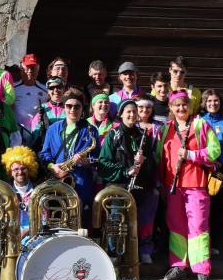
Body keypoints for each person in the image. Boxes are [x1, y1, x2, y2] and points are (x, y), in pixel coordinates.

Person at [157, 90, 220, 280]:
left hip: (197, 184)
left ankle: (202, 271)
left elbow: (215, 150)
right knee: (176, 227)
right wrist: (159, 184)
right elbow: (159, 158)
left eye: (184, 105)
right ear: (170, 108)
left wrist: (192, 154)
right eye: (177, 105)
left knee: (199, 228)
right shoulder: (164, 129)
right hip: (172, 186)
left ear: (189, 106)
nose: (181, 108)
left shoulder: (201, 124)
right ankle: (178, 266)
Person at [96, 100, 155, 262]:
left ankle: (129, 258)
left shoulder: (143, 136)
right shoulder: (113, 135)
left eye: (135, 112)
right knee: (115, 223)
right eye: (128, 111)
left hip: (137, 188)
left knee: (132, 225)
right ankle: (113, 257)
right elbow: (103, 165)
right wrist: (125, 171)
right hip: (117, 189)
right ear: (120, 114)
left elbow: (152, 165)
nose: (132, 115)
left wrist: (144, 161)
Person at [40, 90, 100, 230]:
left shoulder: (91, 130)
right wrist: (51, 166)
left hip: (81, 186)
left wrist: (86, 162)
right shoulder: (52, 129)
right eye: (69, 106)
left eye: (77, 106)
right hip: (56, 185)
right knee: (56, 226)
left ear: (83, 108)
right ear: (63, 107)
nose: (73, 110)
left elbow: (98, 158)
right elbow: (45, 154)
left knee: (80, 228)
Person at [200, 89, 223, 257]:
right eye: (209, 101)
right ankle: (200, 243)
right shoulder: (199, 121)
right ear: (204, 103)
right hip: (203, 169)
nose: (213, 104)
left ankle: (214, 243)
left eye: (216, 101)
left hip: (222, 169)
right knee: (201, 206)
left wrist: (221, 159)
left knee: (219, 206)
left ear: (220, 103)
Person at [134, 93, 164, 263]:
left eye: (148, 107)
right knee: (132, 213)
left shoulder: (159, 127)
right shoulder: (130, 125)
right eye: (141, 107)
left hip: (152, 176)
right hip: (134, 174)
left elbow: (162, 155)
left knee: (148, 215)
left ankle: (145, 249)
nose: (145, 110)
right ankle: (130, 249)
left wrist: (159, 180)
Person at [0, 146, 39, 245]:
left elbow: (44, 219)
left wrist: (27, 230)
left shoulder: (39, 191)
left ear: (29, 170)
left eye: (23, 168)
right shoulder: (3, 191)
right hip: (7, 238)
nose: (20, 172)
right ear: (10, 172)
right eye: (16, 169)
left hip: (33, 239)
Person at [11, 53, 46, 147]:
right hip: (17, 136)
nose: (30, 71)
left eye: (33, 68)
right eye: (27, 68)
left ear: (38, 70)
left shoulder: (46, 90)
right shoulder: (12, 88)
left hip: (38, 135)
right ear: (21, 69)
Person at [30, 77, 67, 149]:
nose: (55, 90)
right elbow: (35, 132)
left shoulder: (70, 107)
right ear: (48, 91)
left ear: (63, 89)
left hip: (67, 149)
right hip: (47, 150)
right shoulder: (41, 108)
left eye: (59, 87)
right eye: (51, 88)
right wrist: (39, 151)